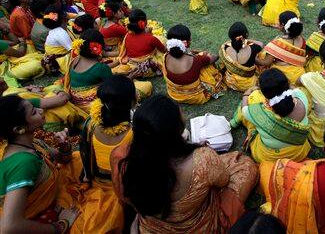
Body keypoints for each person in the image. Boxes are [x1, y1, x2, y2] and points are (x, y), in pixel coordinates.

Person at [111, 95, 258, 233]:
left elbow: (124, 197)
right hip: (201, 226)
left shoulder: (123, 161)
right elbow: (224, 180)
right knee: (245, 165)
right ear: (177, 133)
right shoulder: (202, 159)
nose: (184, 115)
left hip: (152, 228)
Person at [0, 95, 80, 233]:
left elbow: (63, 159)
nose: (41, 110)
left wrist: (65, 147)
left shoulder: (31, 142)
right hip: (34, 221)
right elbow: (9, 227)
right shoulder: (24, 163)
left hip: (48, 203)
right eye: (34, 112)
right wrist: (58, 227)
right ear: (19, 129)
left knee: (78, 159)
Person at [77, 75, 135, 233]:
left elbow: (85, 153)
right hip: (123, 190)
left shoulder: (91, 124)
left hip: (97, 182)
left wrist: (88, 177)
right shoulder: (133, 134)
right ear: (132, 103)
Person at [231, 68, 311, 163]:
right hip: (298, 153)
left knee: (253, 97)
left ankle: (233, 123)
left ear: (265, 94)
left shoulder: (259, 113)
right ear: (286, 85)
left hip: (270, 158)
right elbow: (294, 88)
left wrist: (246, 94)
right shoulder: (301, 97)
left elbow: (244, 109)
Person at [161, 24, 224, 104]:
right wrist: (204, 54)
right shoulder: (195, 60)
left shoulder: (166, 56)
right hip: (195, 96)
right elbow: (215, 57)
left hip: (175, 93)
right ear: (186, 42)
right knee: (207, 66)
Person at [63, 29, 112, 113]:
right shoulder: (101, 68)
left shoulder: (75, 60)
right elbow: (113, 88)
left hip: (74, 101)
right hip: (91, 107)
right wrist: (130, 77)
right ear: (99, 47)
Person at [113, 9, 164, 81]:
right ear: (145, 23)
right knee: (162, 43)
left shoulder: (127, 36)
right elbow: (163, 49)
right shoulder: (151, 38)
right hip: (149, 68)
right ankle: (156, 70)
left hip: (134, 68)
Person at [257, 11, 306, 84]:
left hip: (283, 76)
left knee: (262, 56)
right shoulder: (302, 40)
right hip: (299, 74)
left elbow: (266, 63)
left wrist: (254, 59)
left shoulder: (277, 44)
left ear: (282, 25)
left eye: (278, 22)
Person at [218, 22, 263, 92]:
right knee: (262, 54)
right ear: (246, 35)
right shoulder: (254, 48)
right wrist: (247, 41)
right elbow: (261, 44)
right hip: (248, 85)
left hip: (230, 81)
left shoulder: (225, 48)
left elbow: (228, 43)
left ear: (230, 36)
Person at [43, 6, 72, 75]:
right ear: (62, 18)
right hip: (61, 61)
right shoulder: (60, 33)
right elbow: (72, 50)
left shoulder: (54, 31)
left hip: (55, 58)